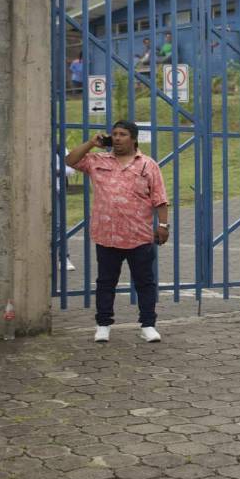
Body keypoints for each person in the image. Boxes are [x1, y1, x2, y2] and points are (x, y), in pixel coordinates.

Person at [66, 120, 169, 344]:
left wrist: (163, 226)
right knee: (105, 282)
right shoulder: (98, 161)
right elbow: (70, 160)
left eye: (123, 134)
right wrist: (92, 143)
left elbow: (159, 198)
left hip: (138, 235)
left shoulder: (147, 165)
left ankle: (148, 325)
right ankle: (103, 325)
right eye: (114, 134)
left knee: (145, 282)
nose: (118, 138)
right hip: (107, 235)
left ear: (133, 139)